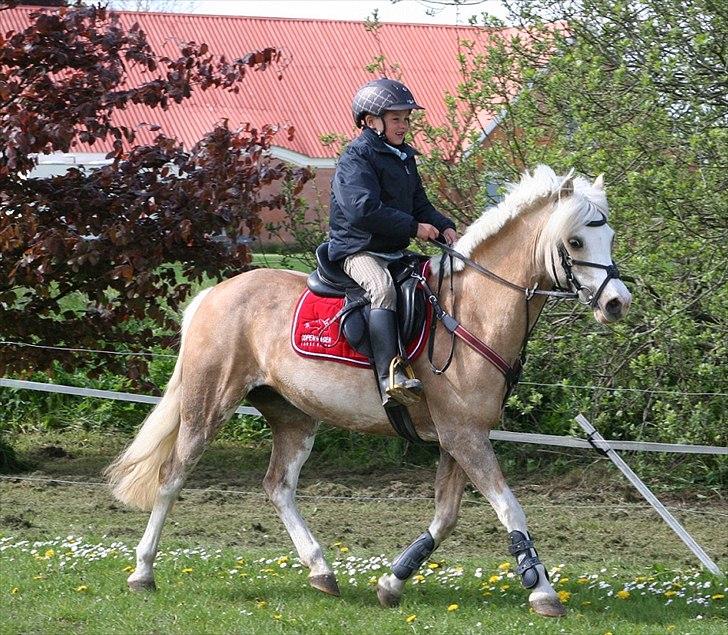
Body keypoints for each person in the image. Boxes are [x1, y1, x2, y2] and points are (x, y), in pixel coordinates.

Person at [328, 78, 458, 408]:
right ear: (371, 121)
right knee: (383, 289)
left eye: (406, 119)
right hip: (357, 249)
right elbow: (363, 210)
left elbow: (420, 204)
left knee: (430, 281)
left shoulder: (403, 158)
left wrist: (445, 227)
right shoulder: (355, 159)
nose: (404, 125)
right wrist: (415, 228)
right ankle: (391, 377)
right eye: (397, 118)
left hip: (391, 248)